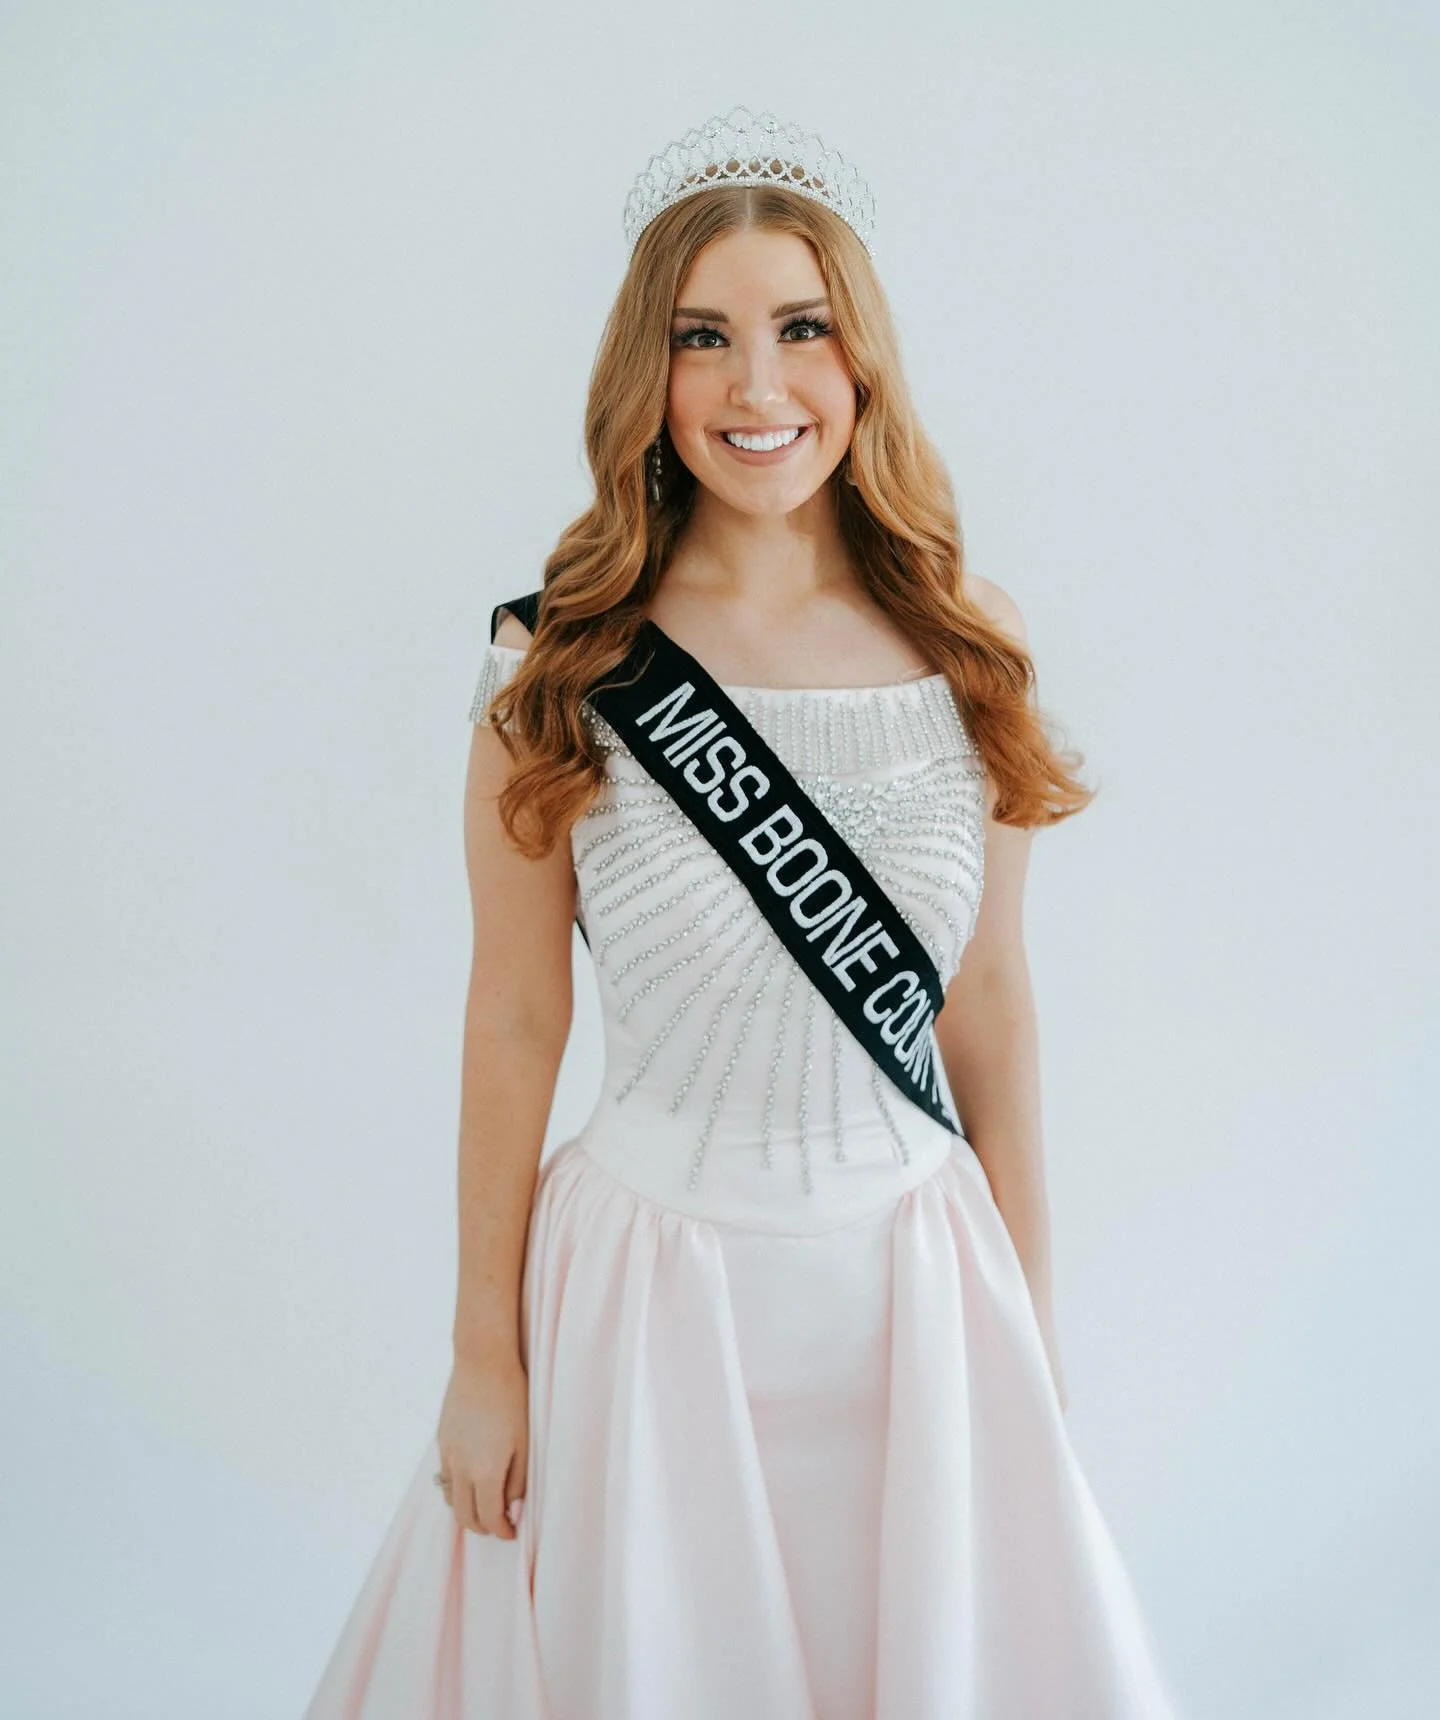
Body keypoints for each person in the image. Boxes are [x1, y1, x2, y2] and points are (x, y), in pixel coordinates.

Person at [301, 106, 1184, 1719]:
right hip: (646, 1293)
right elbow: (512, 1016)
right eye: (703, 338)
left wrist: (1031, 1326)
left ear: (864, 360)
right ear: (649, 373)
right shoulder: (562, 666)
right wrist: (480, 1356)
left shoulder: (970, 639)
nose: (758, 387)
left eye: (802, 330)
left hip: (918, 1291)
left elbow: (988, 1002)